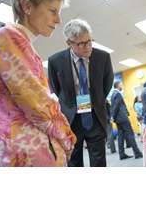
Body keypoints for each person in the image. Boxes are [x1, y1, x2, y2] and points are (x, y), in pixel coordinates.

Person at [0, 0, 76, 167]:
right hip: (19, 153)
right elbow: (37, 102)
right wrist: (66, 136)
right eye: (52, 11)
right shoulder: (9, 37)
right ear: (27, 6)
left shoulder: (21, 42)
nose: (58, 20)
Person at [48, 19, 114, 167]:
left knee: (99, 161)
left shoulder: (103, 57)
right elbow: (56, 89)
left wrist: (96, 100)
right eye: (82, 43)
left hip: (95, 115)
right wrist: (70, 105)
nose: (88, 46)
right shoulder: (55, 61)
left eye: (89, 41)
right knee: (74, 160)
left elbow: (106, 84)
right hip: (71, 119)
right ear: (69, 43)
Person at [111, 81, 143, 160]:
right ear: (118, 86)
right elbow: (116, 107)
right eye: (121, 85)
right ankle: (137, 153)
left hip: (119, 119)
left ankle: (122, 154)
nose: (122, 86)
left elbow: (116, 106)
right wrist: (113, 117)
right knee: (130, 134)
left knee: (121, 137)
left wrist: (114, 118)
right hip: (122, 118)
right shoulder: (117, 94)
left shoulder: (113, 94)